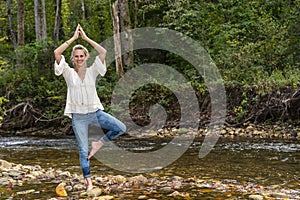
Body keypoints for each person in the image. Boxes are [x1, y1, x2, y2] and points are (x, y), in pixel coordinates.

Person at [53, 24, 126, 191]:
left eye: (82, 55)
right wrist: (73, 39)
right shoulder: (67, 72)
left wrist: (85, 38)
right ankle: (89, 182)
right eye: (76, 56)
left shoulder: (94, 70)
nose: (79, 58)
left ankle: (99, 144)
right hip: (78, 117)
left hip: (95, 113)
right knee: (83, 150)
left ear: (86, 57)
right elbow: (57, 53)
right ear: (73, 58)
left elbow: (103, 52)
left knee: (120, 128)